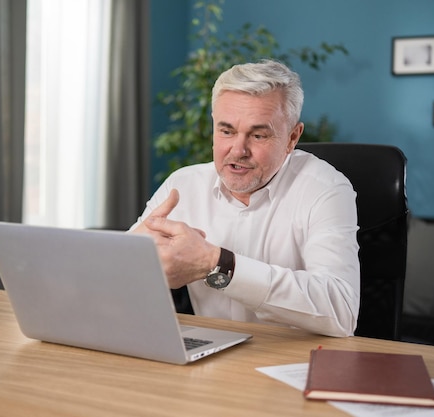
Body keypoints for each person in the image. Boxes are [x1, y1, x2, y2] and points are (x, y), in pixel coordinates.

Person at [130, 59, 359, 337]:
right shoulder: (183, 185)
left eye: (258, 135)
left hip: (296, 360)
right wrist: (134, 259)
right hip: (208, 355)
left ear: (292, 138)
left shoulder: (325, 188)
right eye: (226, 131)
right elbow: (117, 278)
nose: (238, 150)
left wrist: (218, 263)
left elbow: (341, 311)